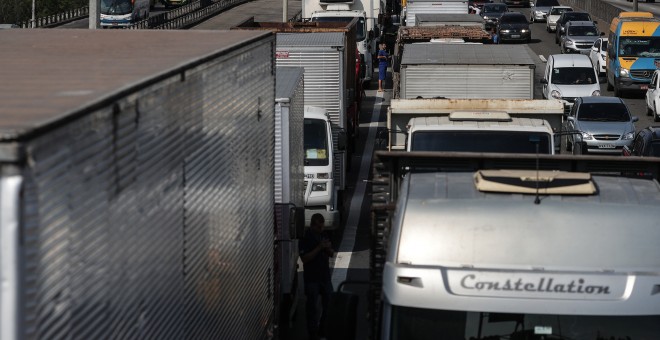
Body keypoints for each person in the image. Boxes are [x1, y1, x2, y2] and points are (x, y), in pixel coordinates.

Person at [300, 213, 335, 340]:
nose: (321, 229)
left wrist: (327, 248)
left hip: (324, 276)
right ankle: (312, 332)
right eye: (319, 227)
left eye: (322, 227)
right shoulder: (306, 238)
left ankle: (323, 329)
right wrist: (319, 247)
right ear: (313, 225)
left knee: (329, 303)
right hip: (312, 277)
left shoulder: (323, 235)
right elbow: (304, 258)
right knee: (312, 307)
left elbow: (331, 253)